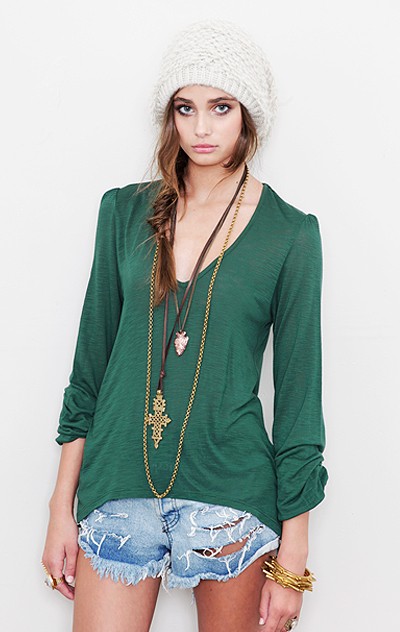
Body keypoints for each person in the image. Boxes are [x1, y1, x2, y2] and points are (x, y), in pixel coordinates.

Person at [41, 18, 328, 632]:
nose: (201, 128)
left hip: (232, 501)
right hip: (118, 490)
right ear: (169, 115)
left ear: (247, 115)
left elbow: (300, 403)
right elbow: (88, 372)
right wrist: (60, 507)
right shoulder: (123, 212)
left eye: (221, 107)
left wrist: (294, 556)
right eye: (185, 107)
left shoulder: (290, 233)